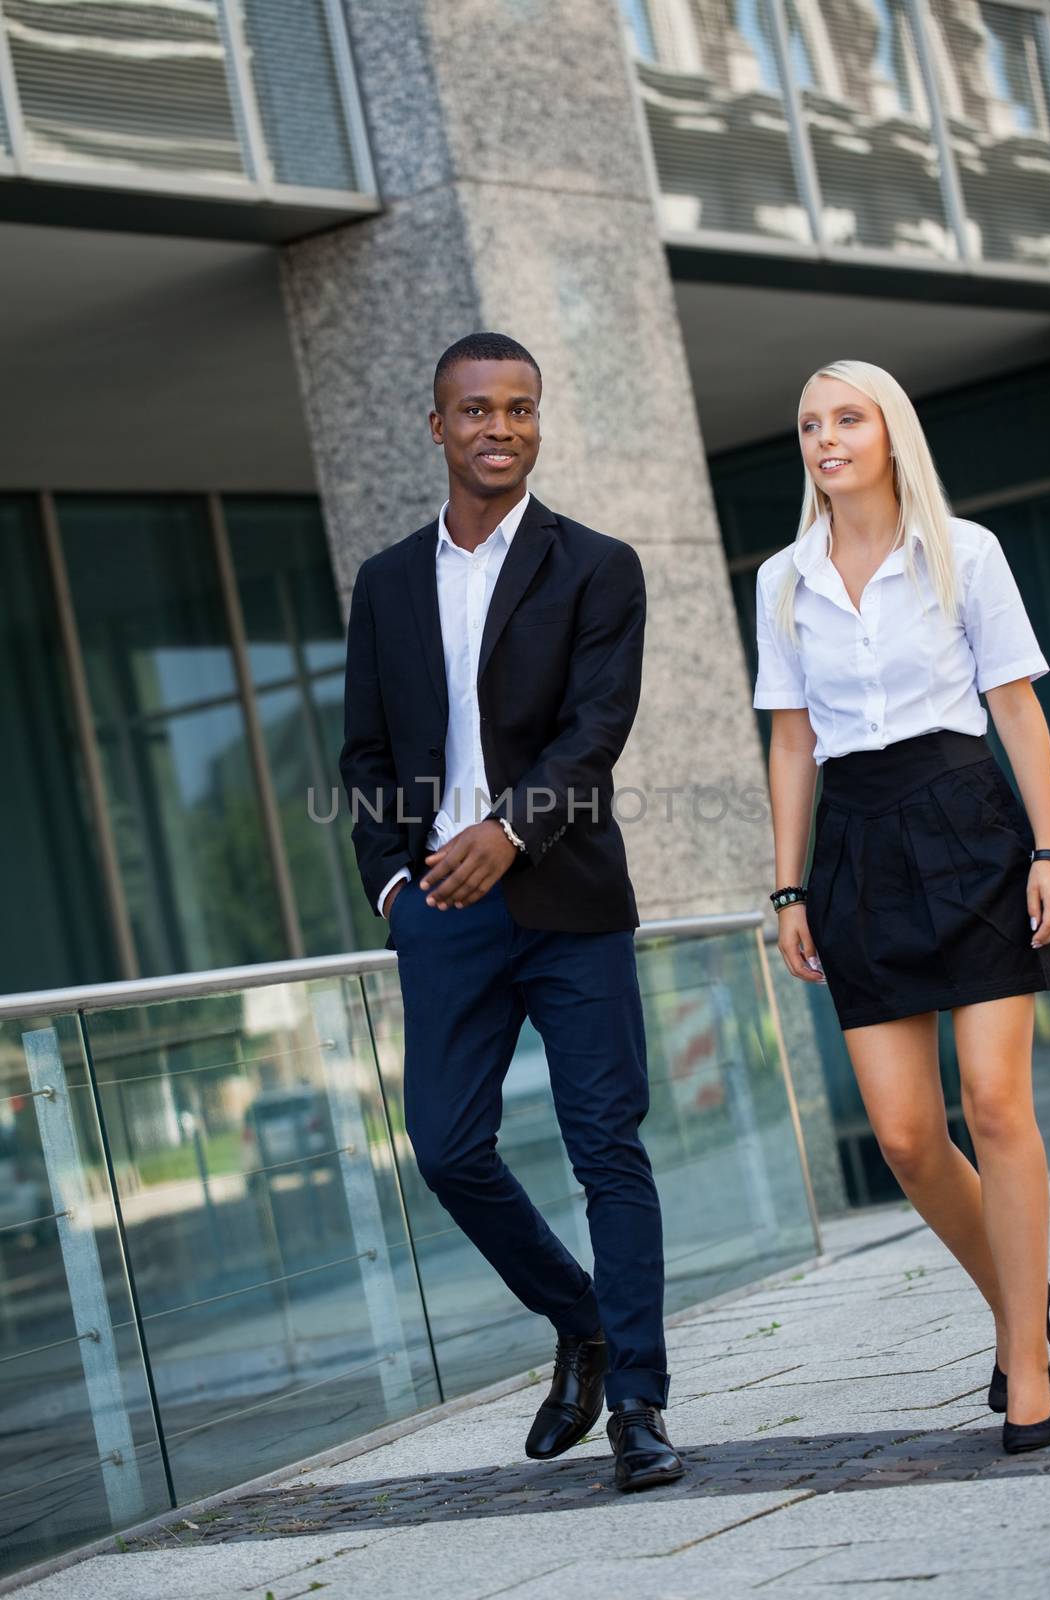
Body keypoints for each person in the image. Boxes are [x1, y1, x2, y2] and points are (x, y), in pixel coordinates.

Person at [338, 331, 684, 1492]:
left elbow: (595, 731)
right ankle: (579, 1317)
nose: (501, 428)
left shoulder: (596, 565)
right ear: (435, 426)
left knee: (606, 1150)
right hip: (439, 905)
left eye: (521, 409)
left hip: (570, 896)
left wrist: (511, 832)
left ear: (539, 421)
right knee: (444, 1148)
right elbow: (368, 748)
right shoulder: (387, 582)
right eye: (477, 410)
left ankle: (636, 1402)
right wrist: (395, 882)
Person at [753, 359, 1050, 1455]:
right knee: (902, 1134)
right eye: (807, 426)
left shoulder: (961, 554)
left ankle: (1024, 1367)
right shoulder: (781, 579)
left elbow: (1014, 709)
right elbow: (790, 743)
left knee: (991, 1102)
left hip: (970, 825)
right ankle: (1016, 1309)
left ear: (890, 433)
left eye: (846, 418)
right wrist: (786, 883)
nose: (824, 438)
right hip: (855, 842)